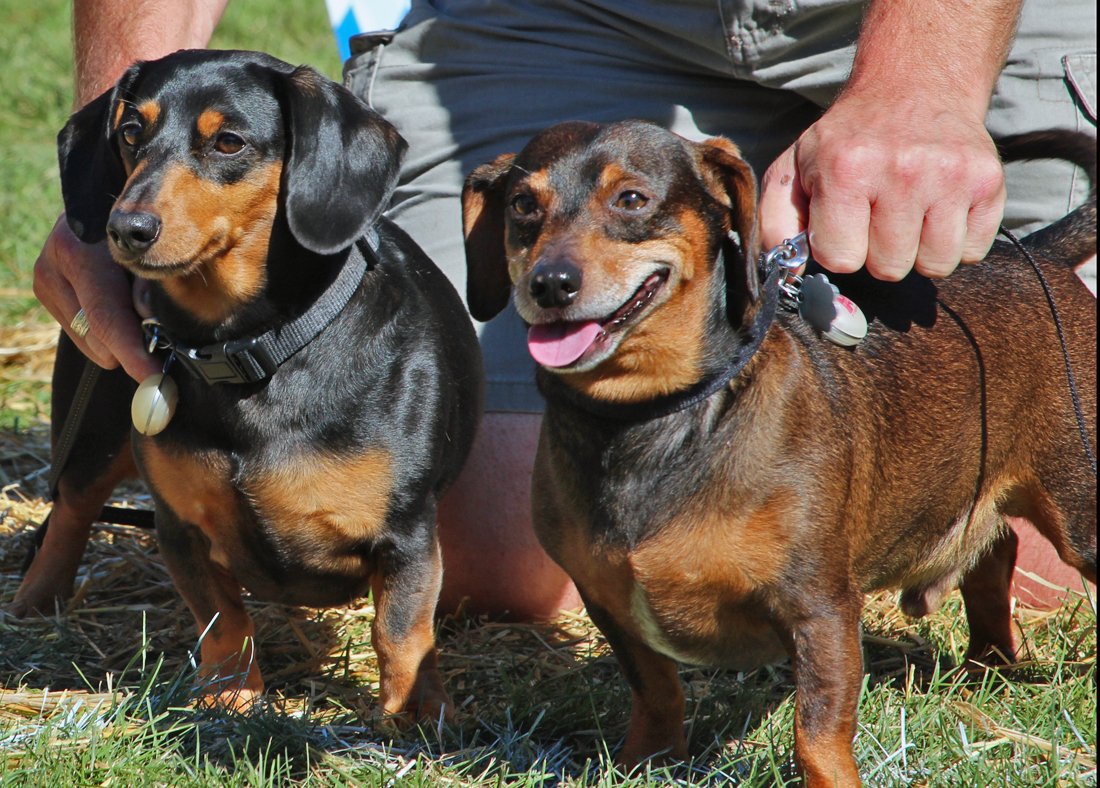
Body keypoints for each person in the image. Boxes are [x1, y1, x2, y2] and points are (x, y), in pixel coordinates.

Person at [34, 0, 1096, 619]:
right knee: (507, 556)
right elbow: (143, 133)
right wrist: (117, 180)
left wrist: (921, 78)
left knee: (1038, 551)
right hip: (570, 13)